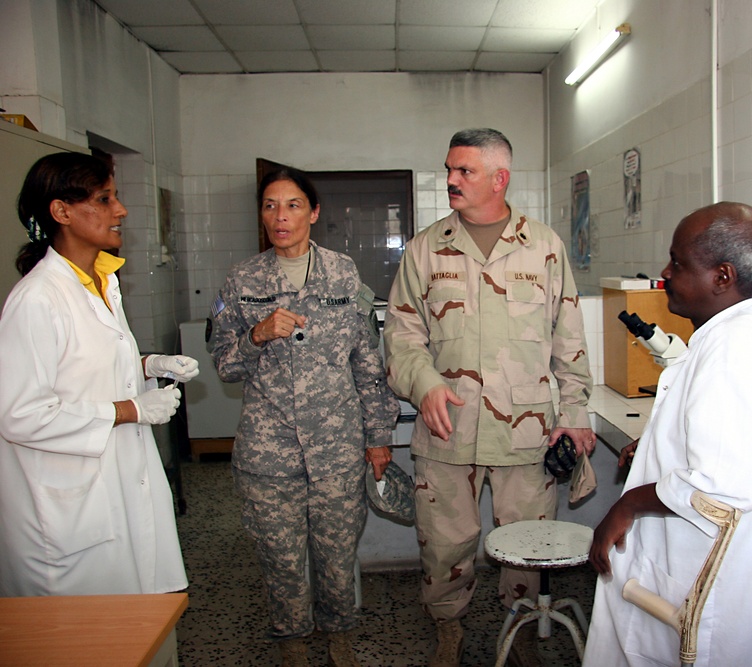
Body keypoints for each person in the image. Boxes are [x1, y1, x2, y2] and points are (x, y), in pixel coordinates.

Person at [383, 128, 596, 667]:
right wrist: (425, 381)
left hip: (525, 430)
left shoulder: (544, 247)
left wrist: (574, 415)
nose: (451, 180)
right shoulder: (426, 249)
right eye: (449, 170)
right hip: (447, 426)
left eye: (464, 171)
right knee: (443, 545)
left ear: (499, 178)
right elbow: (401, 337)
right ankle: (448, 629)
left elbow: (569, 340)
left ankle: (521, 623)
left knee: (527, 542)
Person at [584, 202, 752, 667]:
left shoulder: (735, 350)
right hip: (691, 573)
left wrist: (626, 505)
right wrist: (652, 447)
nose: (665, 273)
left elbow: (721, 484)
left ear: (722, 277)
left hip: (708, 597)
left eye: (678, 263)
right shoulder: (733, 334)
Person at [210, 166, 399, 667]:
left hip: (336, 446)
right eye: (270, 205)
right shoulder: (243, 279)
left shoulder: (343, 273)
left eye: (292, 205)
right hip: (267, 453)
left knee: (337, 556)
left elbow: (367, 361)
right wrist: (257, 335)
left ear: (313, 212)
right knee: (282, 558)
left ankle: (338, 633)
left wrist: (379, 437)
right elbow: (225, 365)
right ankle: (291, 638)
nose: (280, 216)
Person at [0, 152, 194, 597]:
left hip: (117, 482)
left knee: (135, 625)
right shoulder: (37, 299)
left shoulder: (103, 281)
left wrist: (148, 366)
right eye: (105, 199)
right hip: (68, 507)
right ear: (62, 211)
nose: (120, 210)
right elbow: (21, 414)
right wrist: (131, 409)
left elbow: (82, 369)